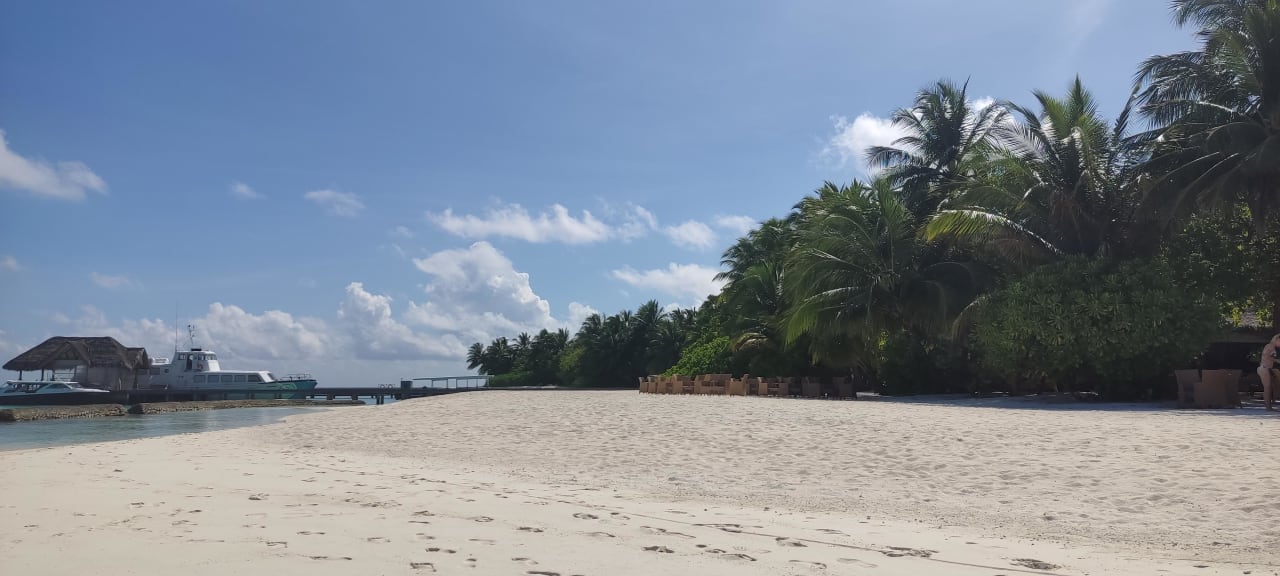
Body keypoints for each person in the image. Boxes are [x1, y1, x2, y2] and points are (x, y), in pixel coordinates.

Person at [1261, 333, 1280, 411]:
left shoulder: (1269, 346)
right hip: (1264, 368)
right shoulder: (1271, 346)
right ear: (1277, 340)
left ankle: (1268, 406)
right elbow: (1273, 357)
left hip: (1265, 368)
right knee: (1267, 388)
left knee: (1269, 388)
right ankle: (1268, 407)